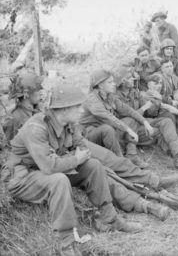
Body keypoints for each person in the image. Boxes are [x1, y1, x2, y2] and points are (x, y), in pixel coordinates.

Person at [3, 83, 144, 256]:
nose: (82, 111)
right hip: (24, 177)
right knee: (59, 180)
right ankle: (66, 242)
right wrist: (75, 159)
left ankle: (109, 218)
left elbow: (85, 149)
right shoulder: (36, 127)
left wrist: (75, 158)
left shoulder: (69, 124)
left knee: (93, 165)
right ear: (63, 109)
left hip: (48, 170)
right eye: (77, 107)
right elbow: (49, 167)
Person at [116, 69, 178, 168]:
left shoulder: (135, 92)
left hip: (141, 123)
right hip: (127, 129)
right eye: (130, 78)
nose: (133, 80)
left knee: (166, 121)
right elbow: (129, 116)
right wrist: (144, 108)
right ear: (122, 81)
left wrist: (157, 103)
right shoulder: (116, 96)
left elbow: (150, 109)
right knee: (158, 131)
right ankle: (175, 155)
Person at [79, 69, 156, 169]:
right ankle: (121, 163)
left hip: (108, 134)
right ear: (101, 85)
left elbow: (128, 110)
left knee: (130, 120)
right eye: (110, 82)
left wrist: (145, 122)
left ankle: (131, 155)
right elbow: (109, 118)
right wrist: (129, 130)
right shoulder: (92, 99)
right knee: (107, 128)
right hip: (91, 135)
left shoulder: (109, 95)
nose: (114, 84)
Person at [3, 72, 43, 143]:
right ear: (26, 94)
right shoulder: (13, 119)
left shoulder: (36, 110)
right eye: (38, 90)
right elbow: (14, 148)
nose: (41, 92)